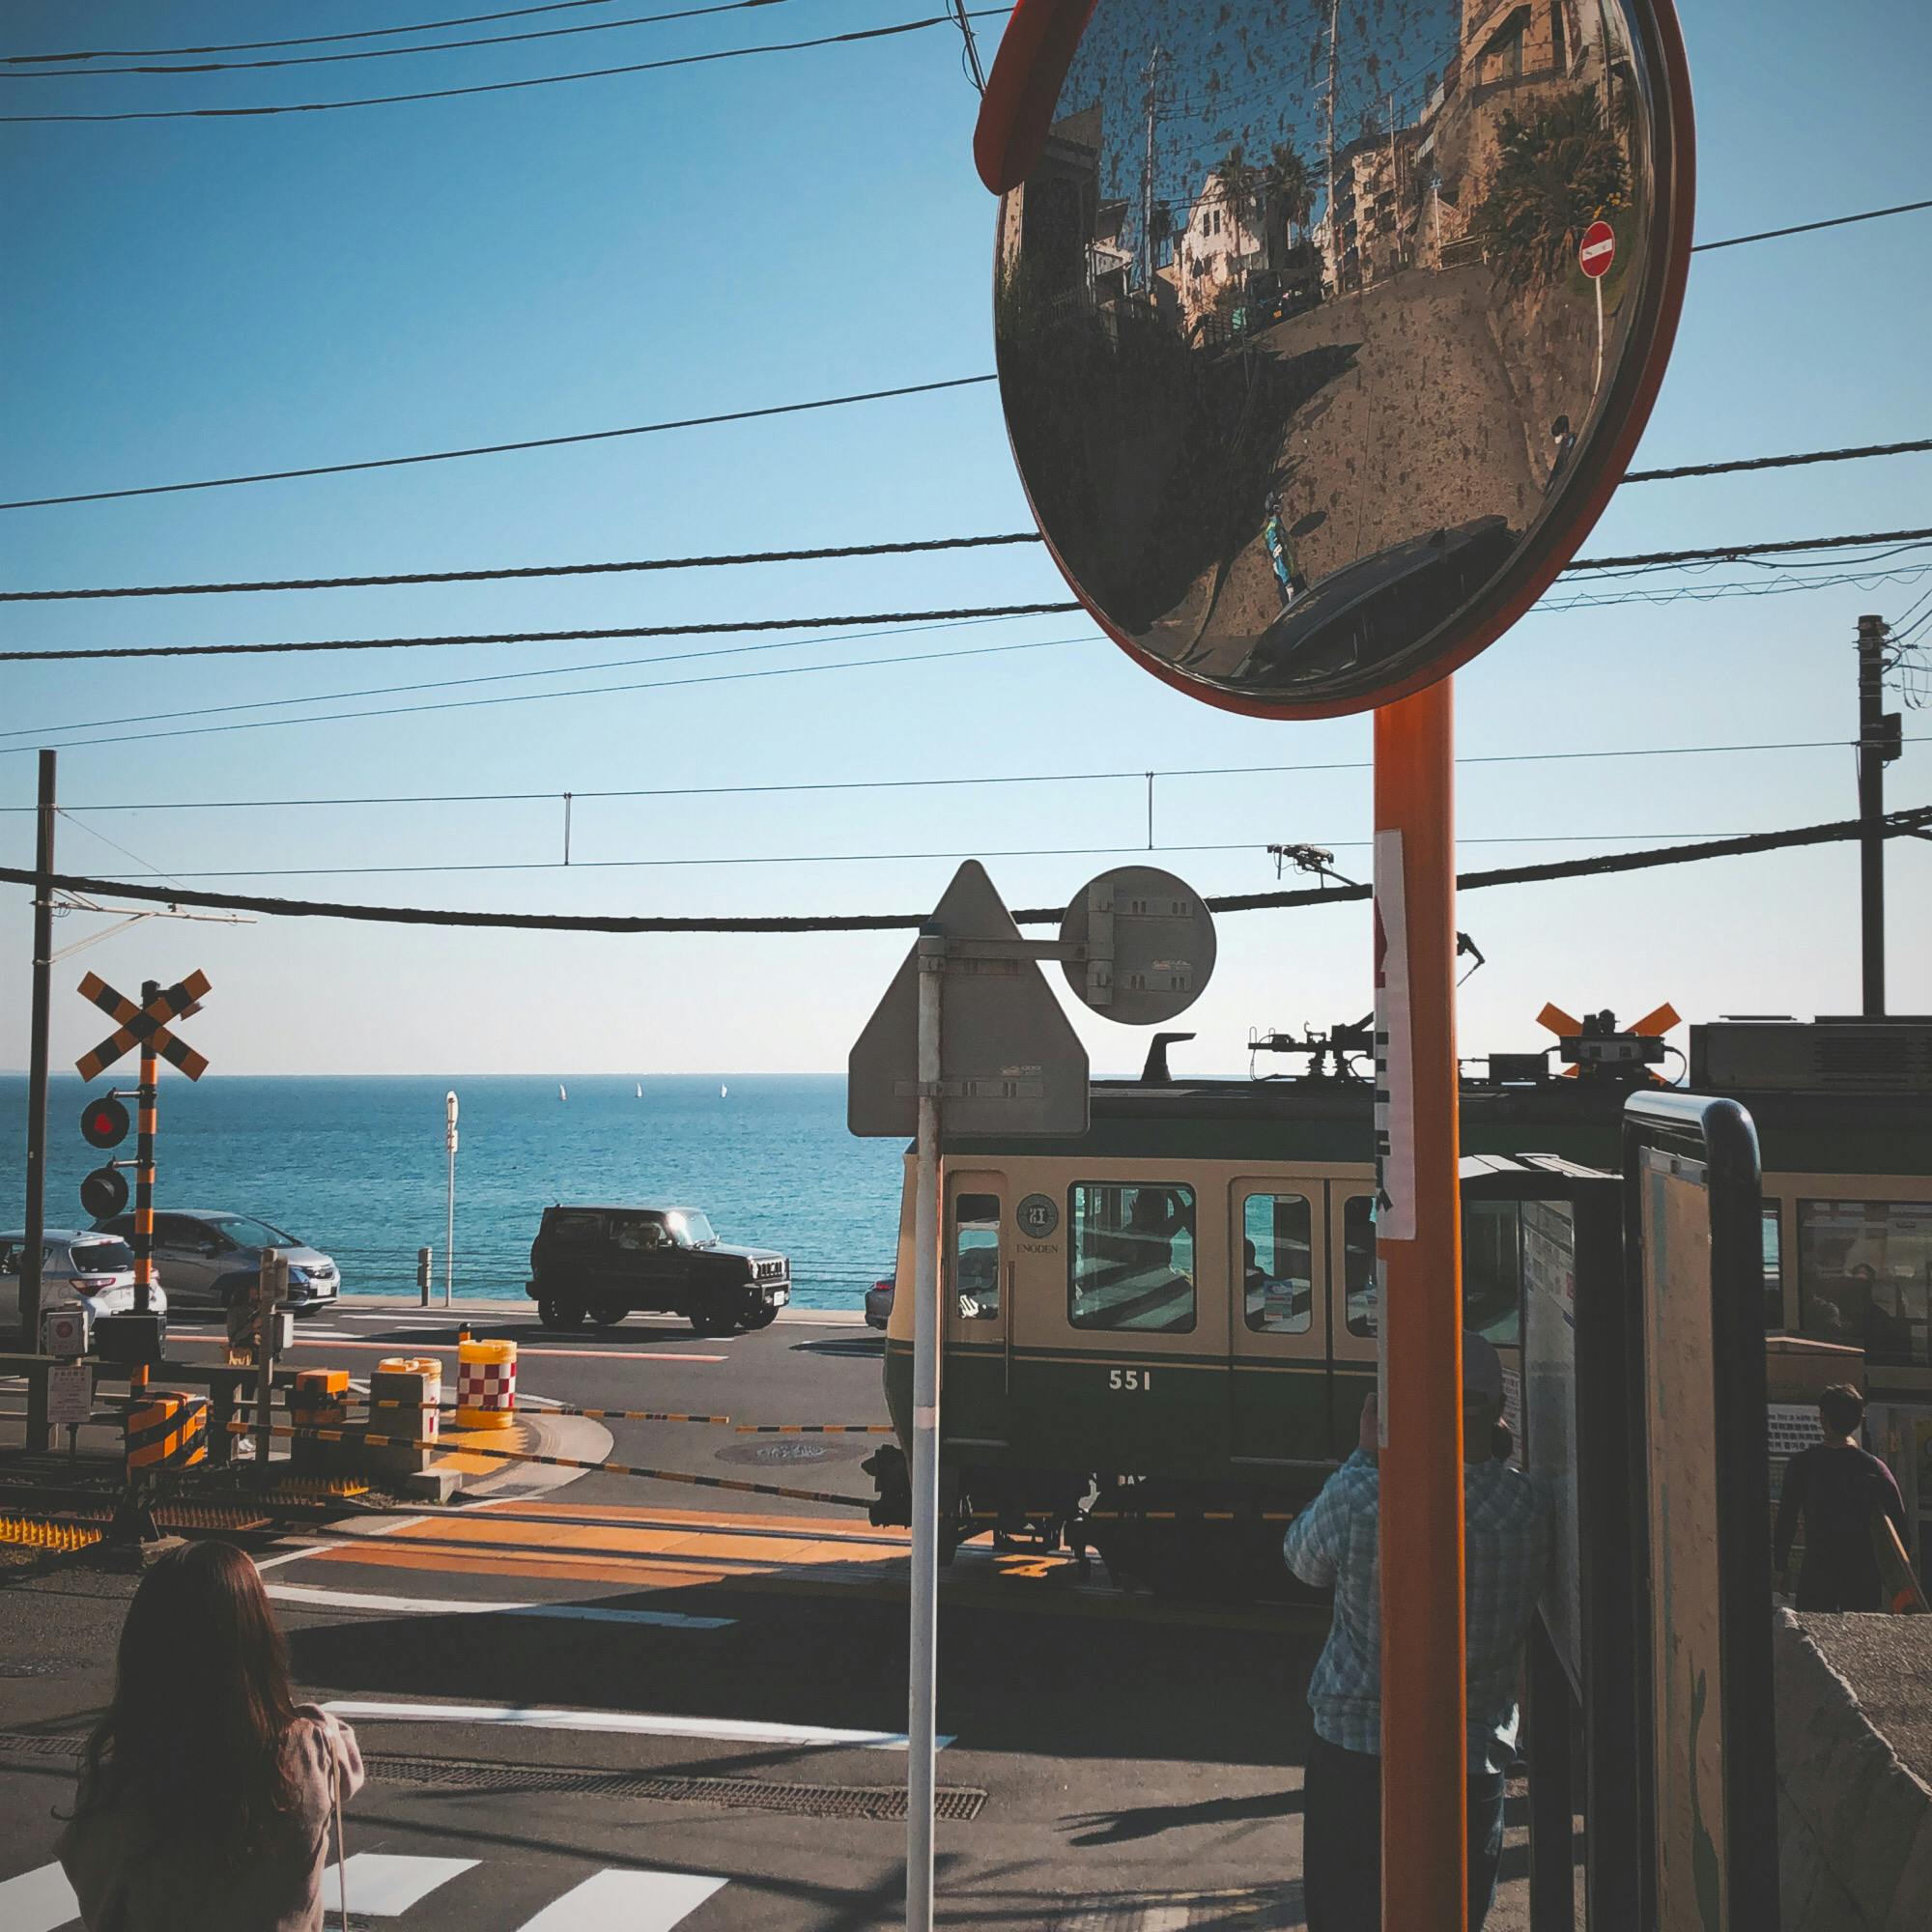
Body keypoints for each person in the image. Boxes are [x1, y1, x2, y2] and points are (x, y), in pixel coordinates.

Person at [1283, 1333, 1550, 1932]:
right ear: (1498, 1408)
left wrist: (1365, 1452)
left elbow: (1300, 1561)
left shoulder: (1362, 1495)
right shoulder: (1528, 1510)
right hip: (1469, 1760)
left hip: (1353, 1753)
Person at [57, 1540, 364, 1932]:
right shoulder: (312, 1750)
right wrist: (268, 1695)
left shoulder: (120, 1788)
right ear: (259, 1641)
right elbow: (348, 1767)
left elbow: (98, 1902)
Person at [1774, 1382, 1908, 1610]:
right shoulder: (1874, 1468)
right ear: (1859, 1419)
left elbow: (1786, 1520)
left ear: (1823, 1419)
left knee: (1814, 1641)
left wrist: (1780, 1567)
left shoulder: (1803, 1465)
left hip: (1817, 1573)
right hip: (1862, 1576)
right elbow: (1901, 1528)